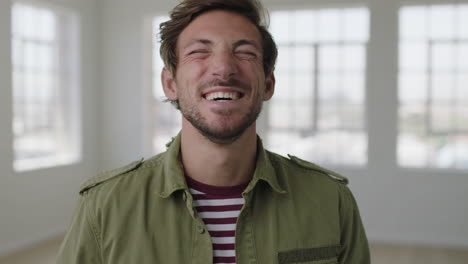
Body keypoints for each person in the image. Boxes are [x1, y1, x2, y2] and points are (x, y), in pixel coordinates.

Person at [56, 0, 370, 263]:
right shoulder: (104, 207)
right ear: (171, 84)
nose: (223, 68)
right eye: (199, 51)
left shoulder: (332, 201)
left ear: (268, 84)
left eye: (245, 52)